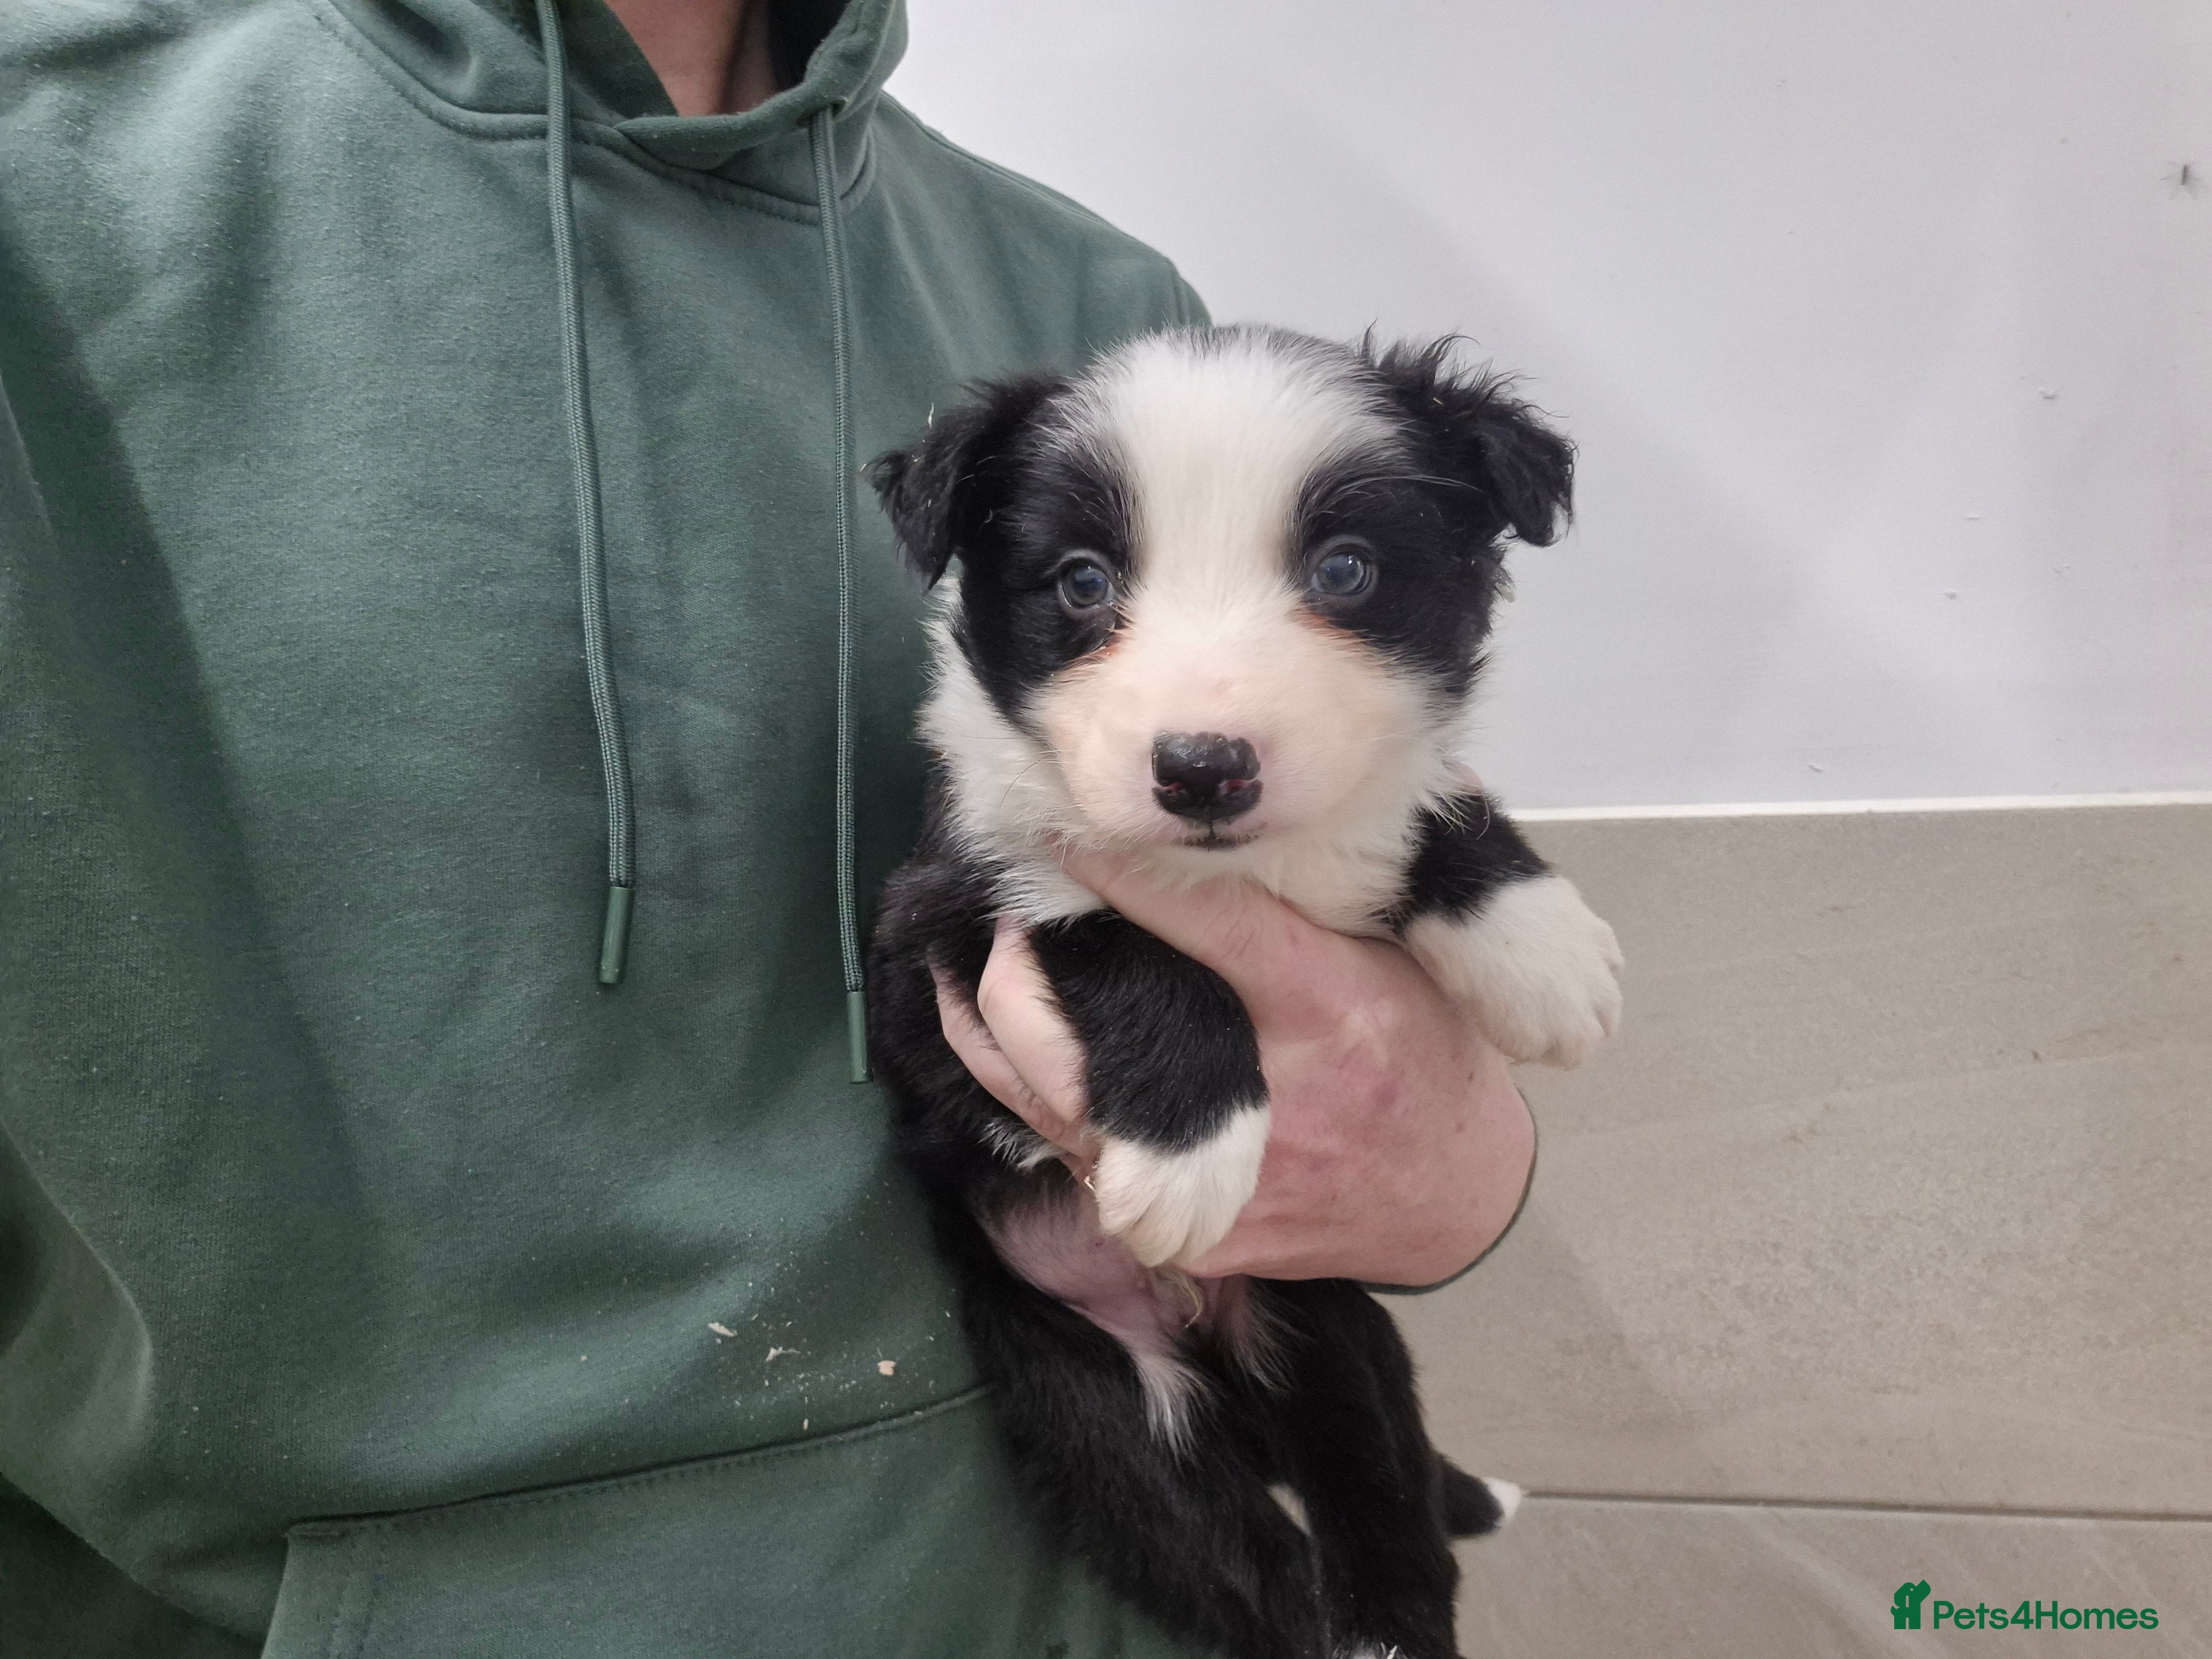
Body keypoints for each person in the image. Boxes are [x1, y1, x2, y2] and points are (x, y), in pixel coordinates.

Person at [0, 0, 1535, 1652]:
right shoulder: (51, 177)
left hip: (1142, 1574)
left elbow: (1334, 924)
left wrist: (1459, 1166)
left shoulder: (1102, 310)